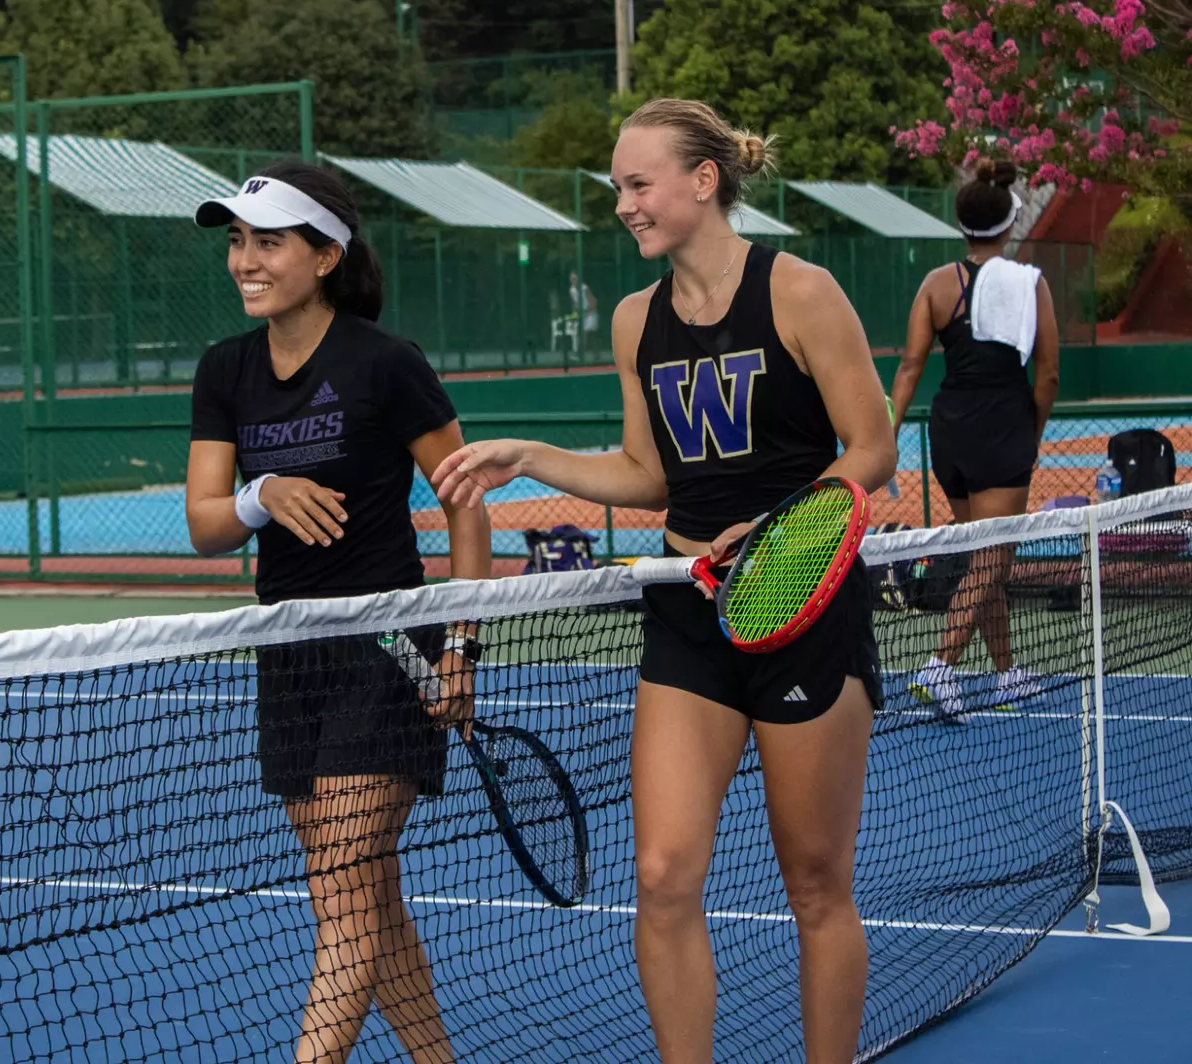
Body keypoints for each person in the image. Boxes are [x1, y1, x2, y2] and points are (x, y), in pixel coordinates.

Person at [431, 99, 896, 1064]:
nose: (624, 205)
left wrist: (780, 530)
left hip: (802, 611)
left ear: (704, 180)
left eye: (639, 185)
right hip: (688, 611)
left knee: (815, 886)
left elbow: (872, 448)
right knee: (662, 875)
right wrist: (530, 455)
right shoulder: (634, 320)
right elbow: (649, 474)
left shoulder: (800, 293)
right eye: (619, 188)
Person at [186, 160, 492, 1064]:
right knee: (363, 896)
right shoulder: (224, 370)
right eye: (237, 241)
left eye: (268, 242)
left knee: (344, 887)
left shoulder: (386, 364)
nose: (245, 261)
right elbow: (206, 524)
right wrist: (262, 494)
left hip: (387, 649)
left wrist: (463, 646)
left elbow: (466, 503)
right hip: (288, 653)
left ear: (326, 256)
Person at [889, 159, 1060, 722]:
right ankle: (940, 667)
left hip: (951, 431)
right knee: (991, 558)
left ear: (962, 224)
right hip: (1002, 427)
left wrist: (888, 434)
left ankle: (1007, 673)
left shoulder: (935, 285)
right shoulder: (1030, 283)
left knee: (988, 561)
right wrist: (1031, 433)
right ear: (1009, 223)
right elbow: (1048, 376)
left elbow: (910, 367)